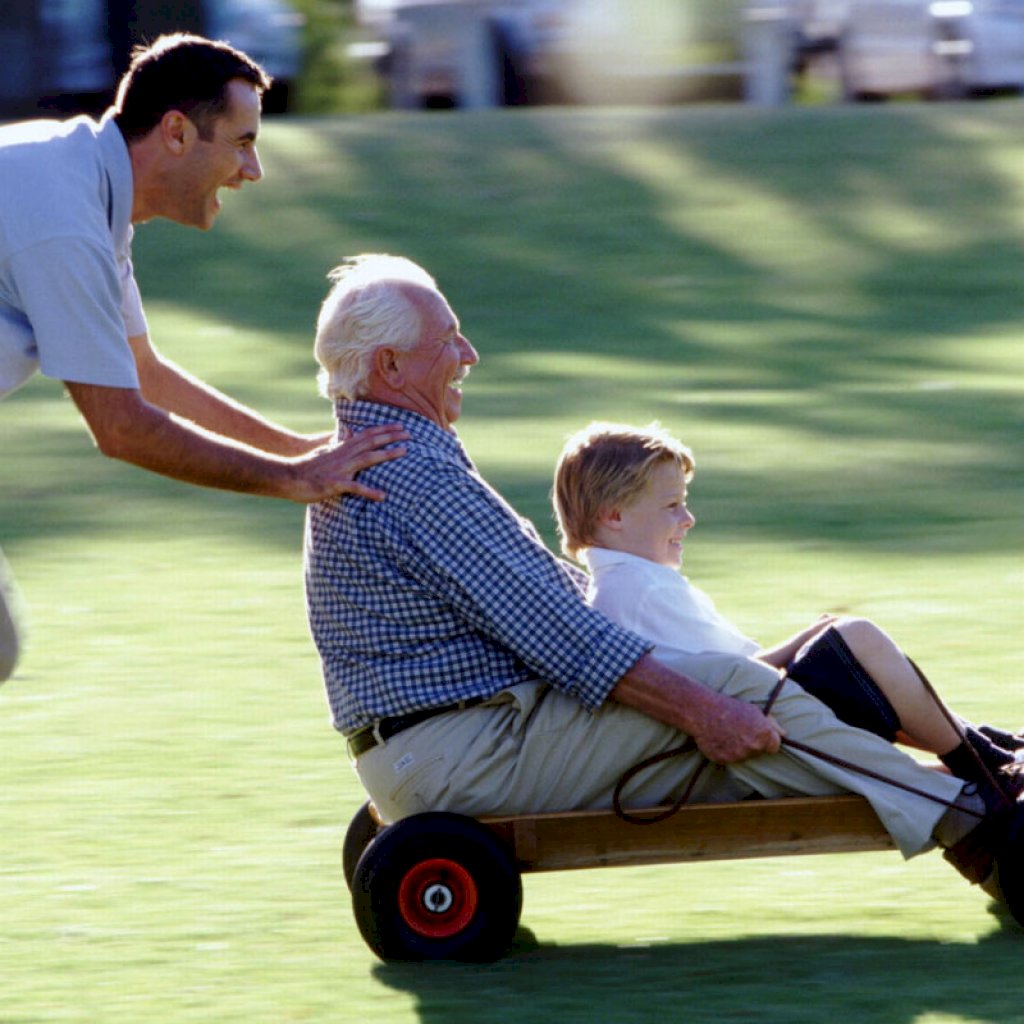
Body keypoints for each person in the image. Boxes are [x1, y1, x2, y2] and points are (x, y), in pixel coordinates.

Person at [304, 253, 1022, 910]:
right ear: (391, 367)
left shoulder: (372, 456)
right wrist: (705, 710)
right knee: (736, 693)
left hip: (437, 747)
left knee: (741, 685)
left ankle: (971, 771)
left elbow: (536, 601)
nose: (469, 355)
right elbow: (568, 641)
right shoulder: (412, 473)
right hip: (466, 754)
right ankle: (980, 820)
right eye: (449, 341)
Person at [0, 34, 407, 683]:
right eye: (243, 142)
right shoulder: (66, 221)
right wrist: (294, 479)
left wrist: (302, 449)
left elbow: (147, 375)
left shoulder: (89, 196)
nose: (254, 170)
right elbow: (123, 427)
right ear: (177, 133)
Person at [551, 420, 1022, 805]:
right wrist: (805, 640)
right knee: (857, 636)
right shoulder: (638, 590)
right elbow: (734, 681)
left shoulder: (626, 584)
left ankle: (990, 751)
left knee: (853, 651)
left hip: (759, 718)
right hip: (758, 732)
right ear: (613, 516)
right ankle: (990, 761)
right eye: (672, 507)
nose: (687, 520)